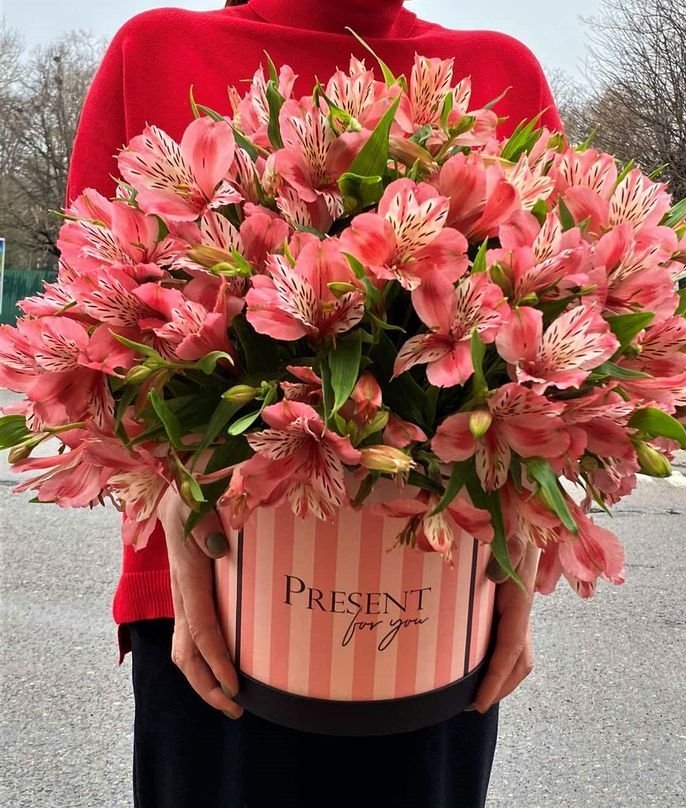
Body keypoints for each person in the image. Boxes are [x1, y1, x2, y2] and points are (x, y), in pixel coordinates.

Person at [67, 2, 563, 806]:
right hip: (209, 610)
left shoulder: (500, 71)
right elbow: (97, 337)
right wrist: (182, 521)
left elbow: (553, 346)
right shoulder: (154, 50)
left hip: (436, 607)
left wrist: (520, 554)